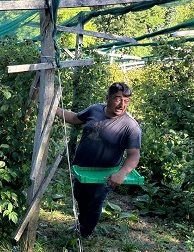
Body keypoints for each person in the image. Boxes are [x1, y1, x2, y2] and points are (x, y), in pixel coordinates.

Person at [56, 82, 141, 238]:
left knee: (95, 203)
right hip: (82, 170)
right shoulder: (94, 110)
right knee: (80, 195)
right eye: (118, 99)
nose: (122, 105)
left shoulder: (130, 126)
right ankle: (82, 224)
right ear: (107, 97)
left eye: (126, 101)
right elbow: (74, 118)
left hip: (104, 175)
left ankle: (84, 235)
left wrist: (121, 173)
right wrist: (53, 108)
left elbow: (134, 154)